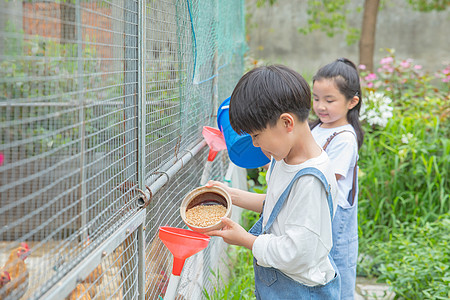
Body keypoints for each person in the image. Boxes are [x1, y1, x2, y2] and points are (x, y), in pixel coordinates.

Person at [206, 64, 341, 299]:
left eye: (256, 136)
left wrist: (246, 240)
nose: (255, 145)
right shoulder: (284, 158)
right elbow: (277, 204)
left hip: (300, 290)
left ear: (286, 123)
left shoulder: (310, 181)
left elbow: (296, 254)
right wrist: (230, 195)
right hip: (283, 284)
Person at [310, 57, 364, 300]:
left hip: (336, 220)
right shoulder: (315, 128)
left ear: (352, 102)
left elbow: (330, 176)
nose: (320, 106)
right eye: (316, 98)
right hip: (316, 211)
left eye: (329, 100)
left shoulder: (344, 137)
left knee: (338, 276)